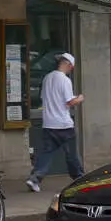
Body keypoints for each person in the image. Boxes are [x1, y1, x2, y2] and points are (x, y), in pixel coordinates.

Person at [26, 52, 84, 192]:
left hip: (48, 123)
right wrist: (80, 98)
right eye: (72, 67)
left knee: (46, 153)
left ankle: (35, 179)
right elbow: (69, 101)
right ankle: (80, 179)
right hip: (64, 125)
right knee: (72, 155)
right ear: (68, 64)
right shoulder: (65, 80)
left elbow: (43, 98)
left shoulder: (47, 78)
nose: (71, 70)